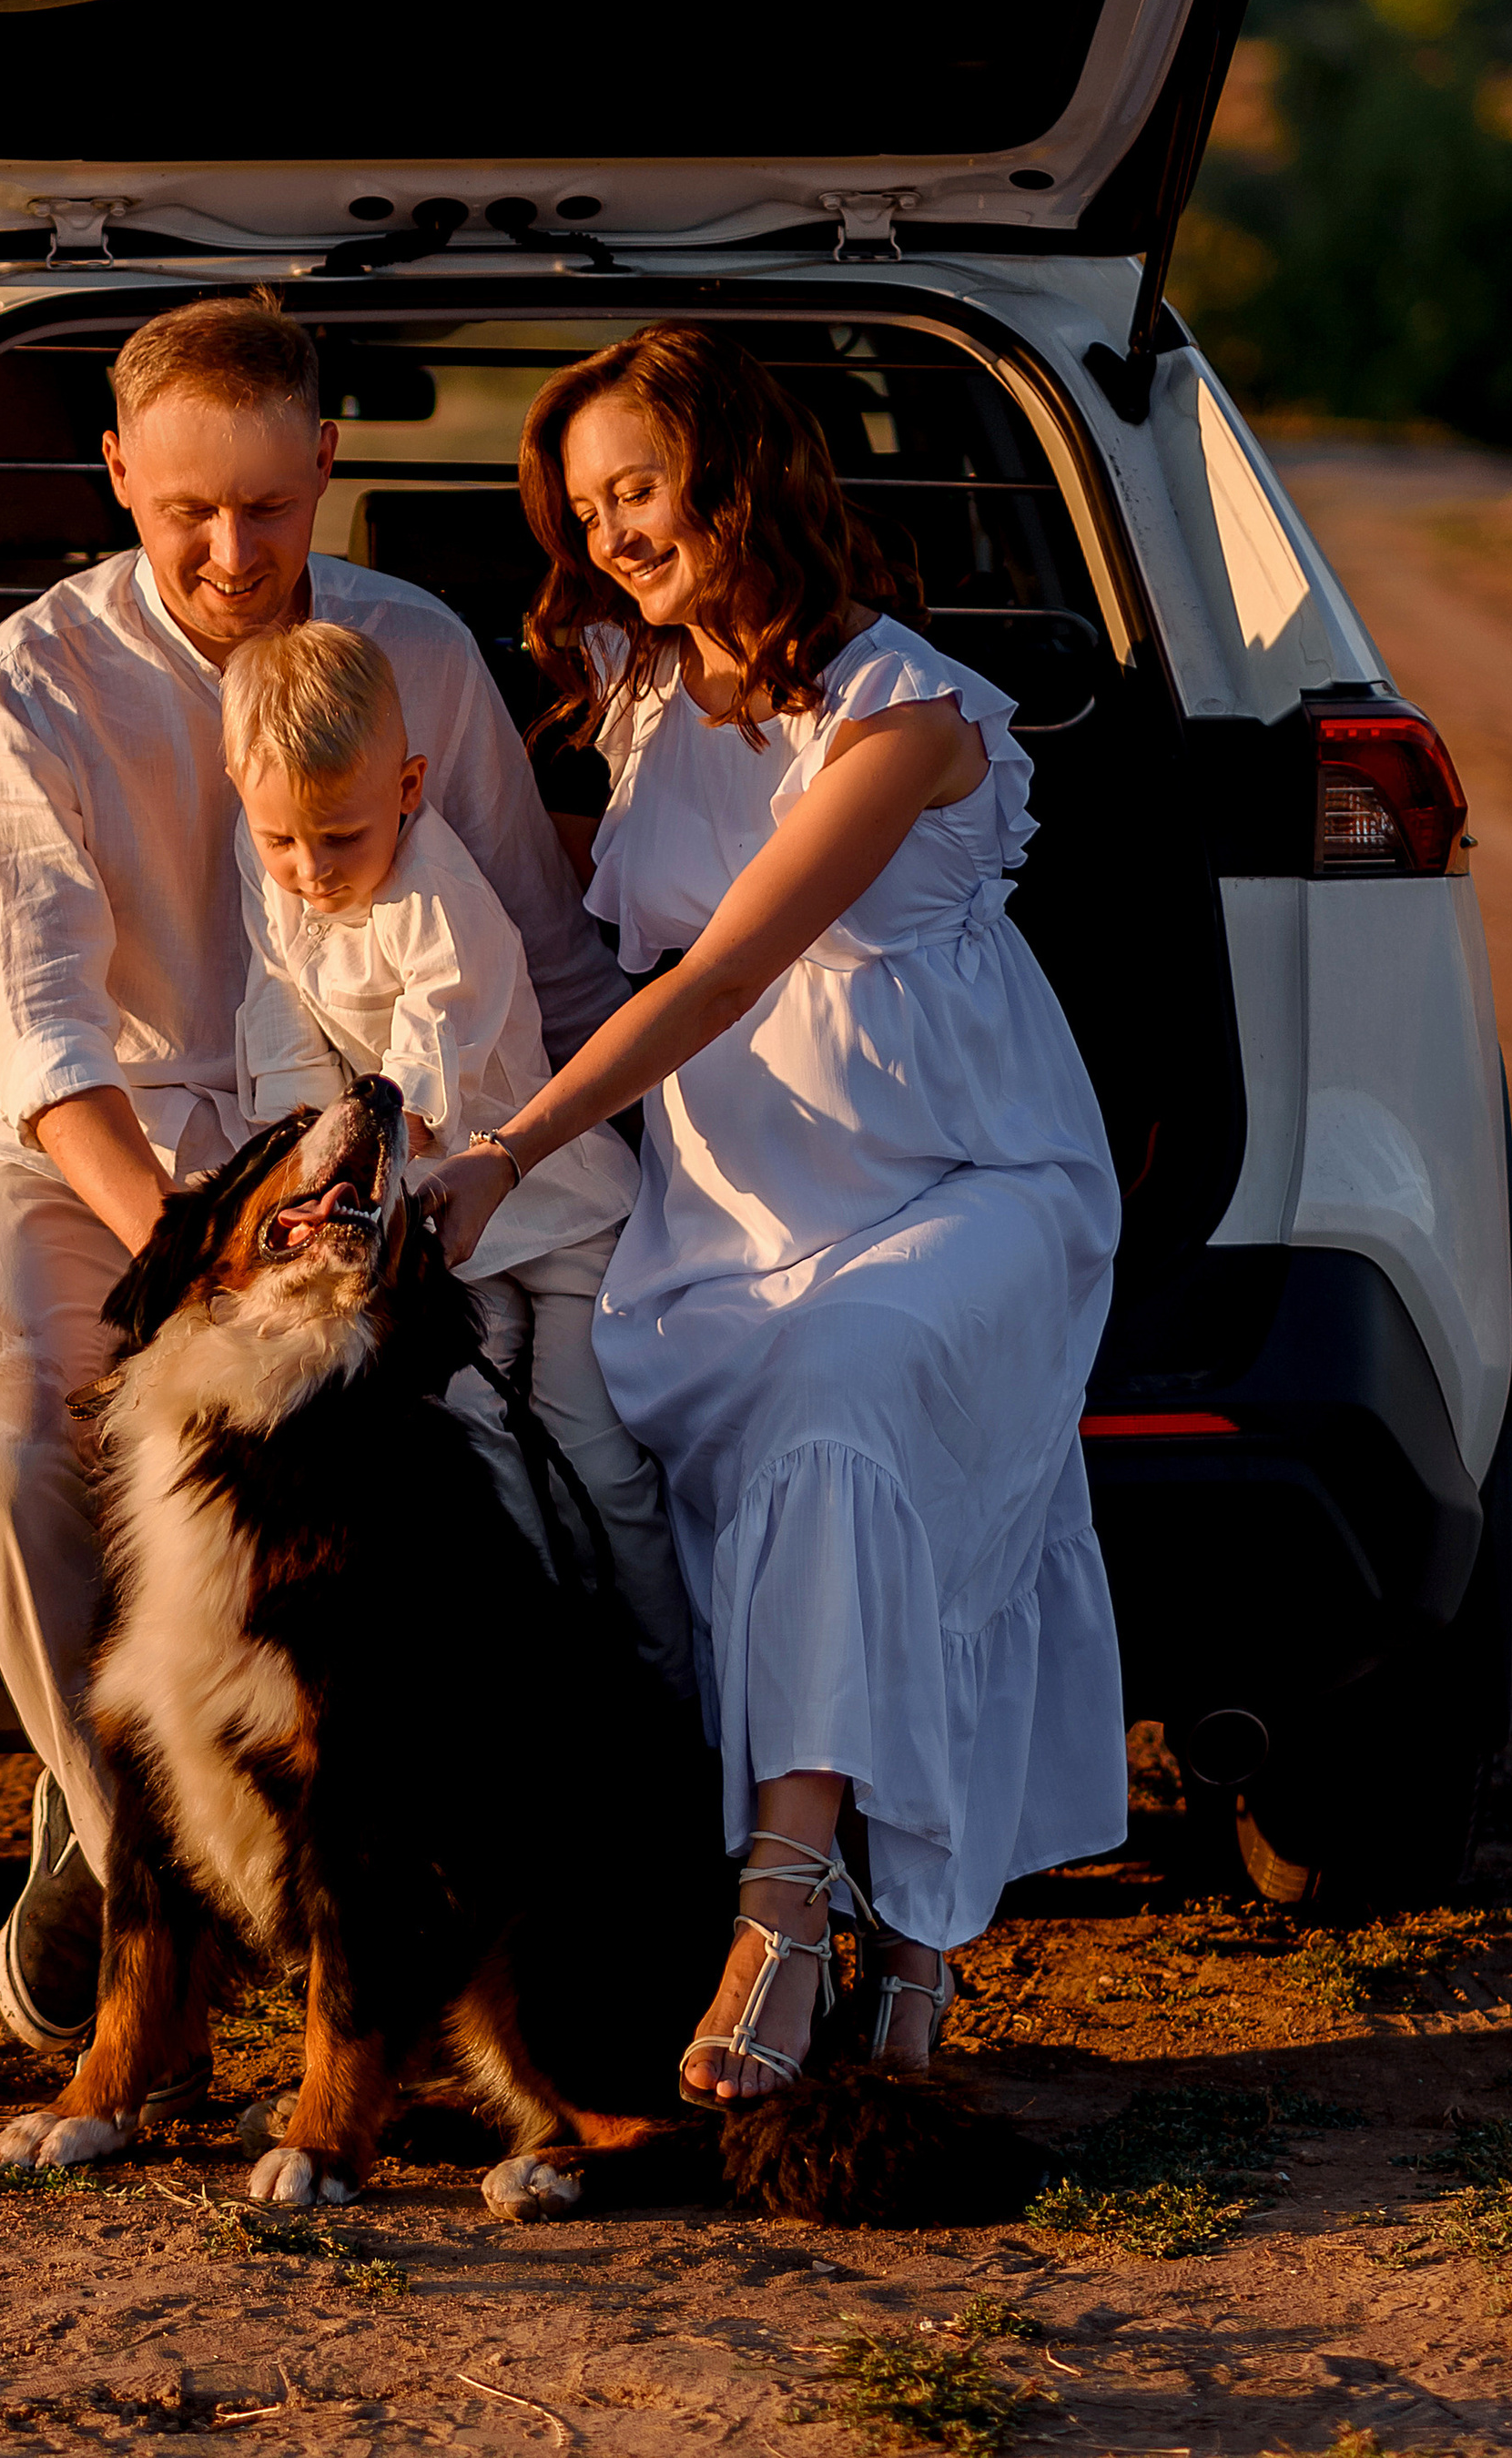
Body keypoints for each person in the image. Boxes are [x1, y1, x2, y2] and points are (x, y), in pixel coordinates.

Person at [0, 293, 631, 2065]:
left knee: (530, 1452)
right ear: (117, 472)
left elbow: (539, 953)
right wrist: (198, 1279)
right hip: (79, 1146)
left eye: (266, 508)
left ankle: (492, 1880)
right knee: (4, 1441)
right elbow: (48, 1032)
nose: (228, 551)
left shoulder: (416, 651)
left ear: (325, 466)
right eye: (183, 508)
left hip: (356, 1150)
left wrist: (628, 1166)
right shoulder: (32, 681)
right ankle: (119, 1829)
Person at [426, 324, 1126, 2096]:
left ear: (738, 470)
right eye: (584, 508)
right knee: (823, 1480)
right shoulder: (632, 680)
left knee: (835, 1405)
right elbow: (452, 757)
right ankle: (909, 1953)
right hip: (735, 1211)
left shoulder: (905, 717)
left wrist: (505, 1155)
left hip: (963, 1185)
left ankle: (782, 1903)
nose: (608, 537)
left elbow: (728, 972)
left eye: (639, 489)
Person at [224, 617, 690, 1688]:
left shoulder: (440, 896)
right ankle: (538, 1671)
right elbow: (280, 1020)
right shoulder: (277, 880)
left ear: (407, 786)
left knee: (594, 1456)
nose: (308, 870)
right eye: (278, 842)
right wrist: (300, 1164)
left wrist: (367, 1158)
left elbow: (426, 1069)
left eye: (337, 839)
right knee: (476, 1448)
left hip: (554, 1213)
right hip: (446, 1240)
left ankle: (670, 1688)